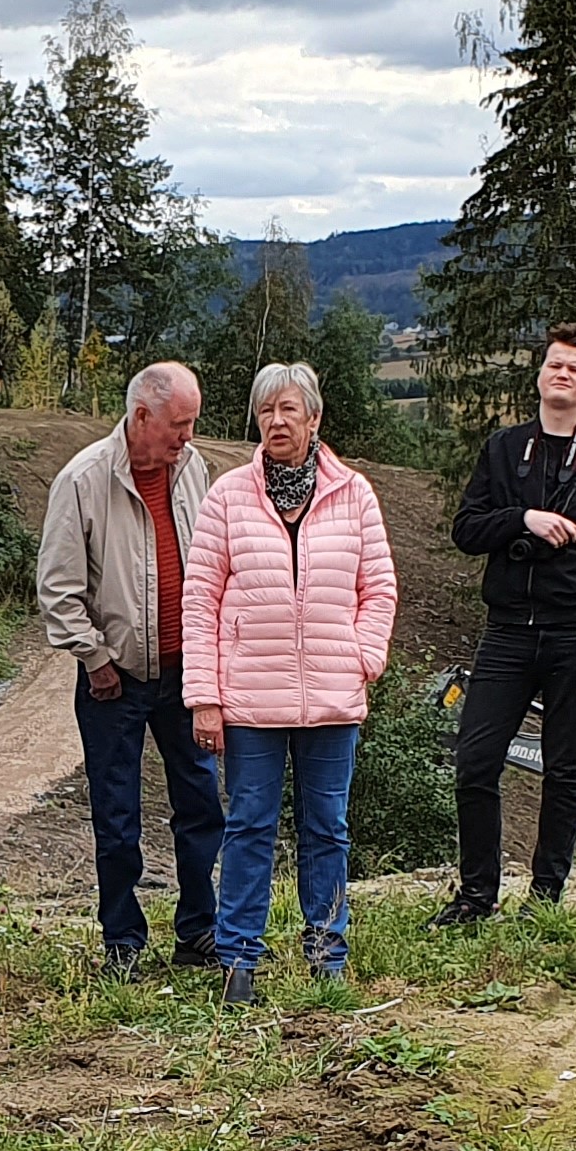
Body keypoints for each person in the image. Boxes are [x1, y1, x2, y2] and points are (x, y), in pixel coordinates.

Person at [185, 362, 398, 1006]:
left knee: (327, 826)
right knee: (248, 825)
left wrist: (361, 658)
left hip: (333, 699)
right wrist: (206, 697)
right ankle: (238, 956)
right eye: (265, 412)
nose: (276, 423)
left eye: (288, 411)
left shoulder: (354, 493)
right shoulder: (228, 495)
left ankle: (327, 950)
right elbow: (201, 600)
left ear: (314, 419)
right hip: (251, 697)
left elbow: (379, 589)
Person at [433, 322, 576, 926]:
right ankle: (476, 895)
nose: (561, 375)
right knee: (475, 760)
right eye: (552, 365)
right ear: (539, 375)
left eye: (574, 368)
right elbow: (467, 530)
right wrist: (524, 519)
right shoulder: (503, 448)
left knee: (565, 769)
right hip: (509, 629)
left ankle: (546, 898)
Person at [38, 360, 222, 976]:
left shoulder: (193, 470)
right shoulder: (83, 479)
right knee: (117, 817)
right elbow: (58, 588)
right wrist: (94, 656)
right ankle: (122, 942)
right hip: (112, 682)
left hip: (185, 675)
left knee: (201, 803)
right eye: (179, 424)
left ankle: (199, 931)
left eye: (191, 424)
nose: (187, 437)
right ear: (141, 416)